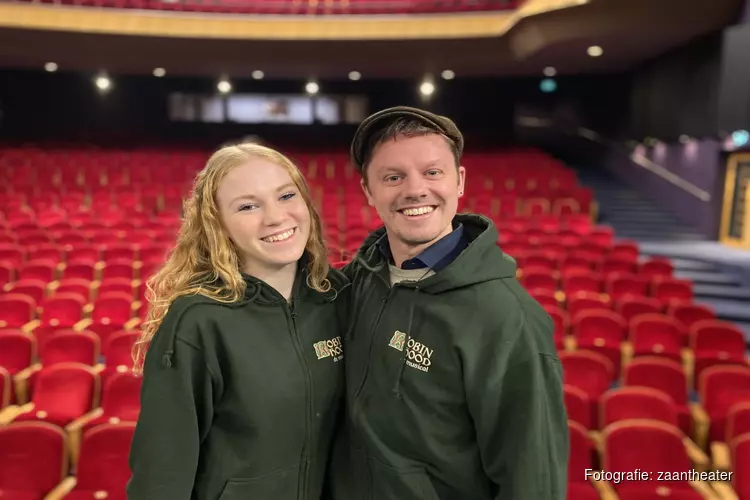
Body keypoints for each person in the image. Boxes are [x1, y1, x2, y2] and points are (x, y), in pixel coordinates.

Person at [331, 106, 569, 499]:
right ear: (368, 191)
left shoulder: (507, 318)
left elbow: (532, 481)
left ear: (459, 181)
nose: (414, 189)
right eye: (393, 177)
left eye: (432, 172)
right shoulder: (359, 282)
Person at [127, 142, 349, 500]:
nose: (275, 217)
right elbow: (161, 474)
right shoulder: (198, 322)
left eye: (286, 196)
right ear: (218, 225)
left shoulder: (338, 296)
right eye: (248, 206)